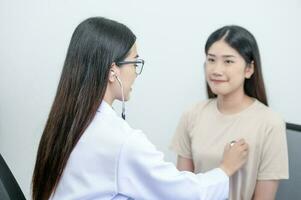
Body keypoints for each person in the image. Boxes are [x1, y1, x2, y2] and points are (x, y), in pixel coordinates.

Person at [31, 17, 249, 200]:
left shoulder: (67, 122)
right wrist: (226, 169)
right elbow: (186, 194)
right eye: (135, 62)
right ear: (112, 71)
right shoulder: (121, 141)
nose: (136, 72)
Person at [171, 25, 289, 200]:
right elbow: (184, 190)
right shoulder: (192, 114)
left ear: (249, 69)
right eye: (211, 60)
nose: (216, 70)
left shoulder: (270, 123)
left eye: (228, 61)